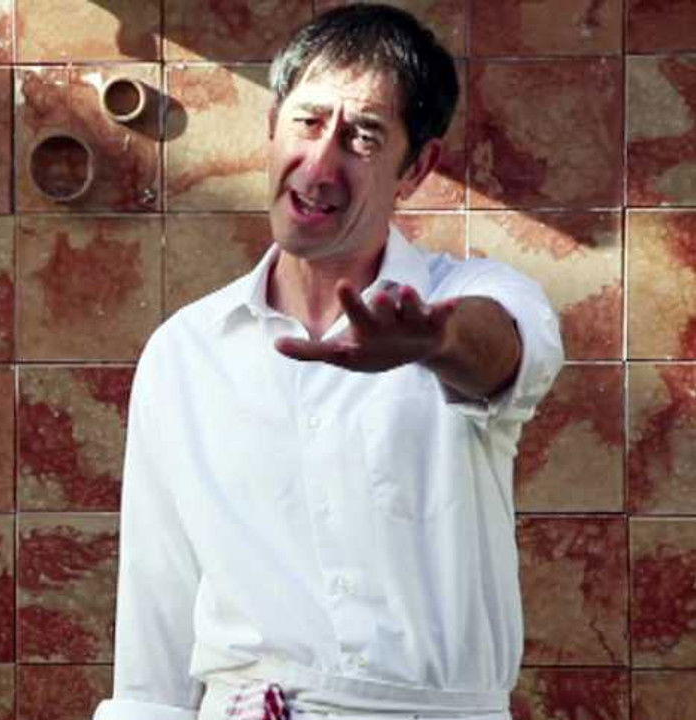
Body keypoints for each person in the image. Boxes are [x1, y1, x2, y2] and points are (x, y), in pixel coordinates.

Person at [93, 5, 564, 720]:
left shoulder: (474, 297)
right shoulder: (184, 352)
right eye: (307, 122)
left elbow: (506, 351)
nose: (319, 165)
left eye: (363, 136)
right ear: (272, 124)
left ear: (415, 168)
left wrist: (432, 343)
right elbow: (155, 614)